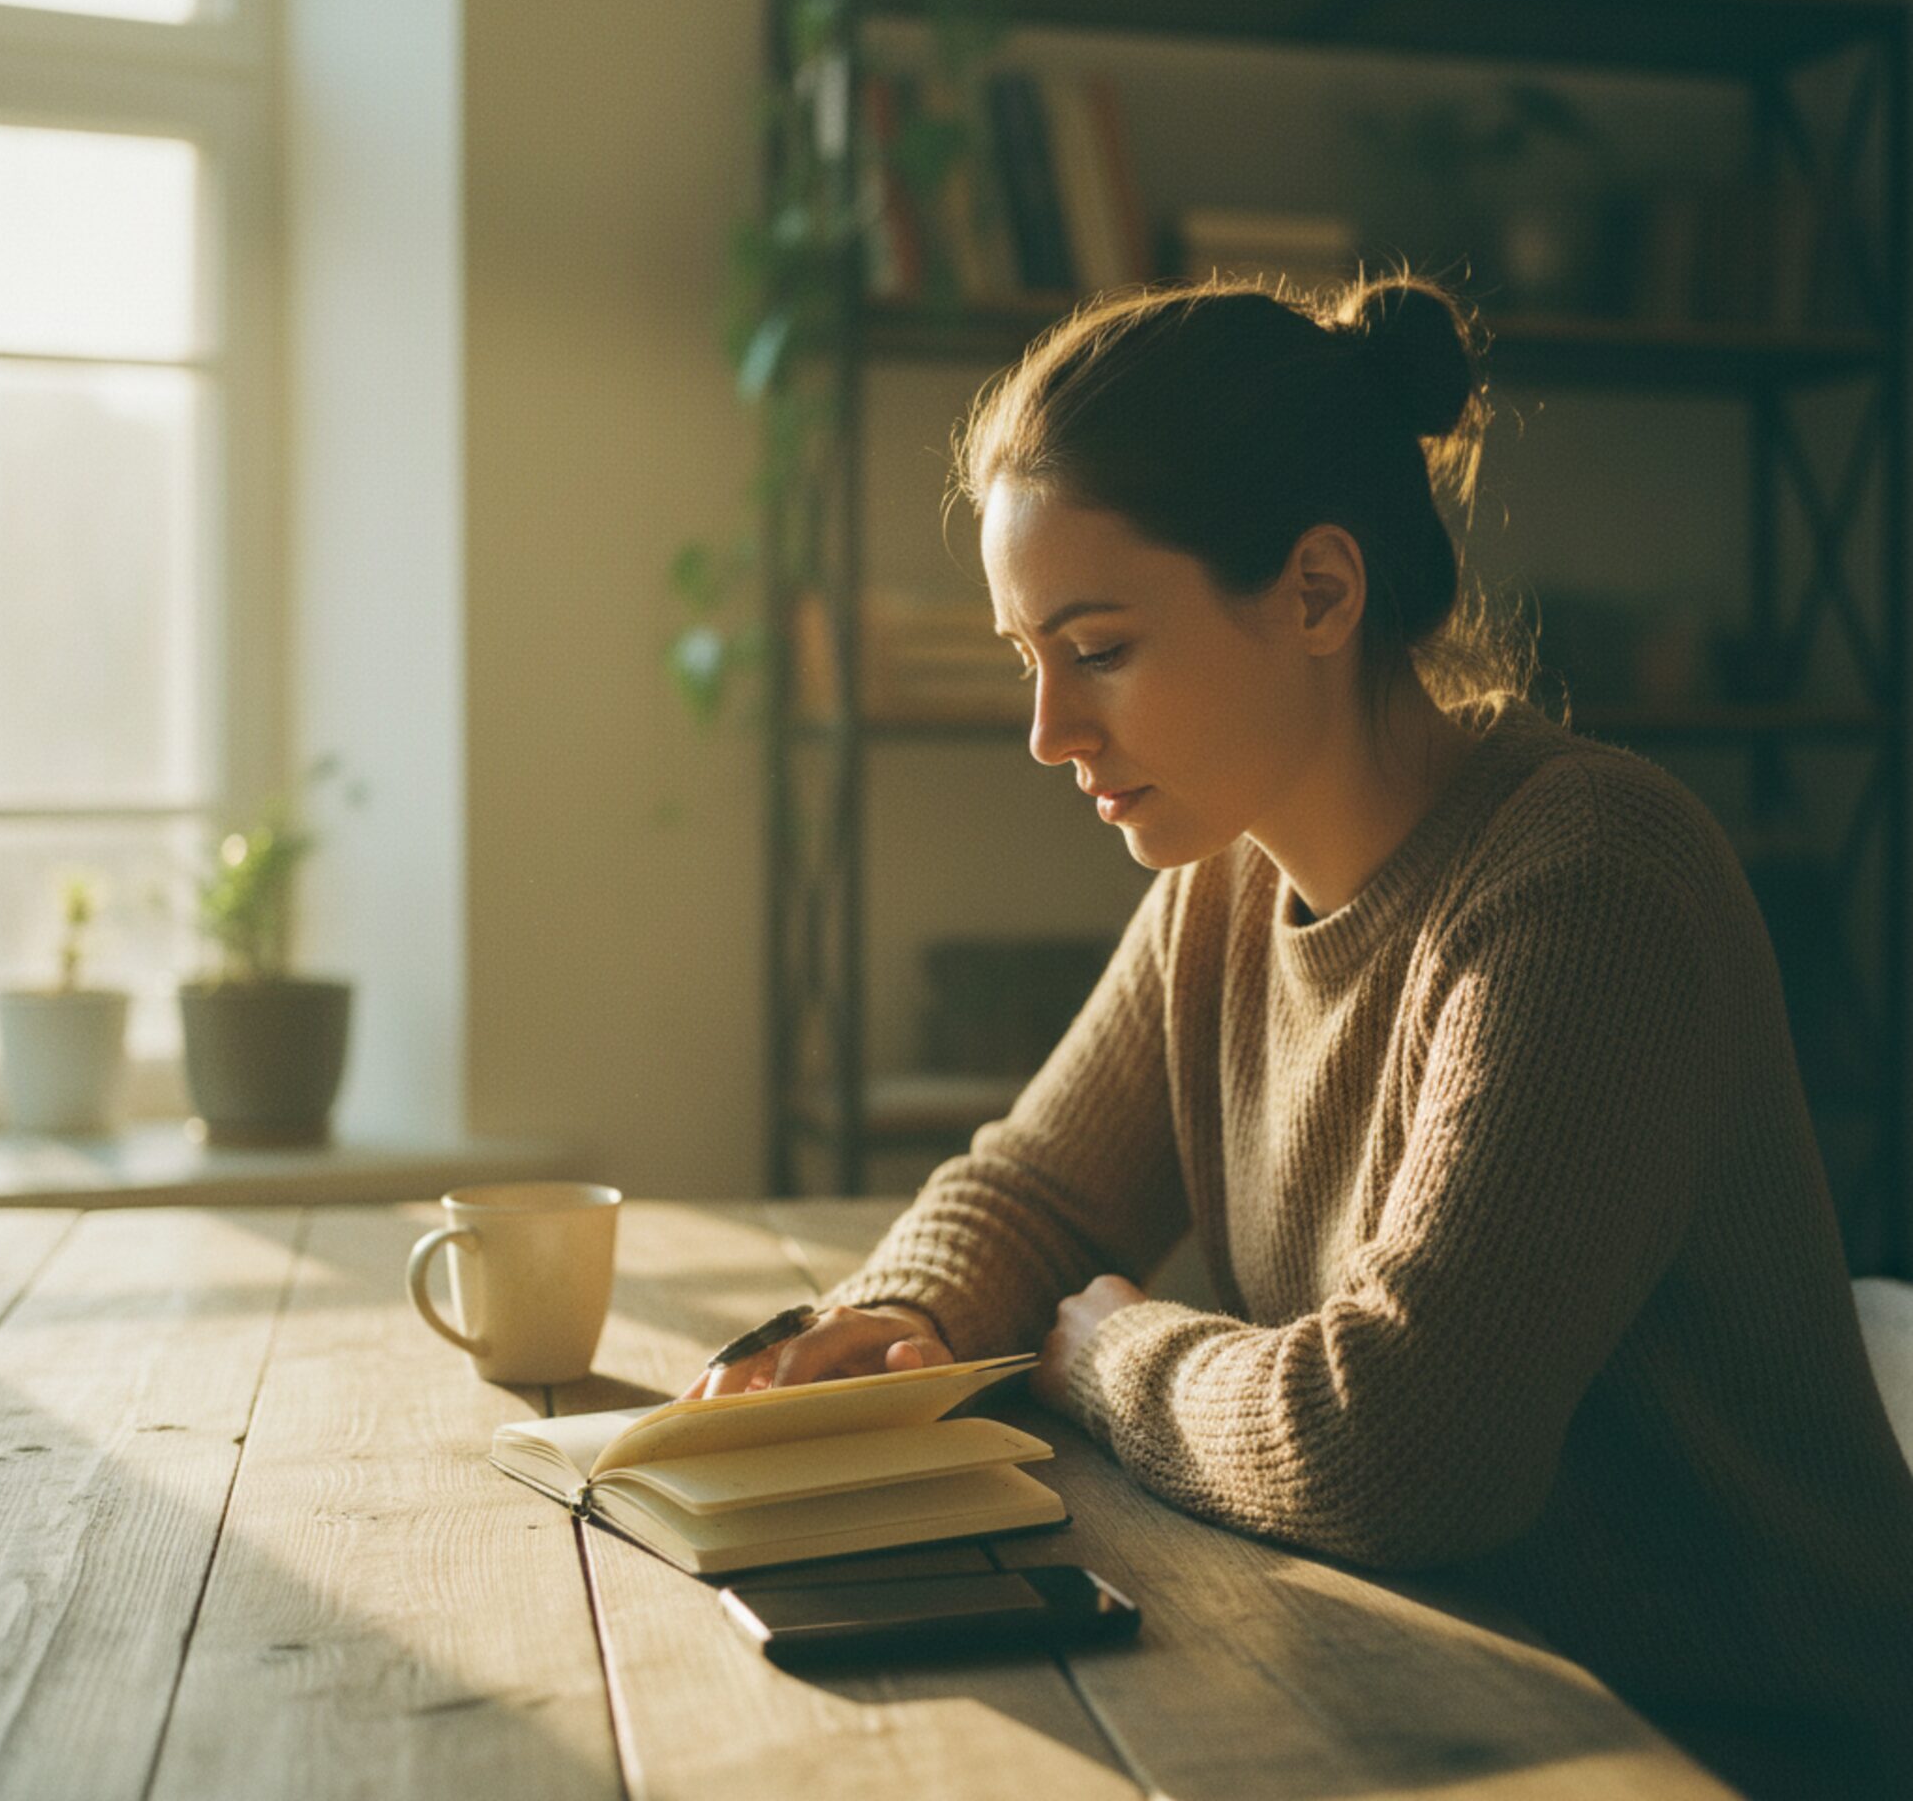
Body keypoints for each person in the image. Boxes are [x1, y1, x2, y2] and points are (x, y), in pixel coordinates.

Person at [678, 270, 1913, 1797]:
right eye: (1027, 659)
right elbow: (1041, 1191)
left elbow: (1400, 1445)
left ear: (1319, 593)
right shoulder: (1226, 878)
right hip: (1420, 1685)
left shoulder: (1588, 882)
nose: (1048, 732)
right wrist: (897, 1325)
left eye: (1101, 647)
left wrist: (1111, 1348)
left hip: (1722, 1749)